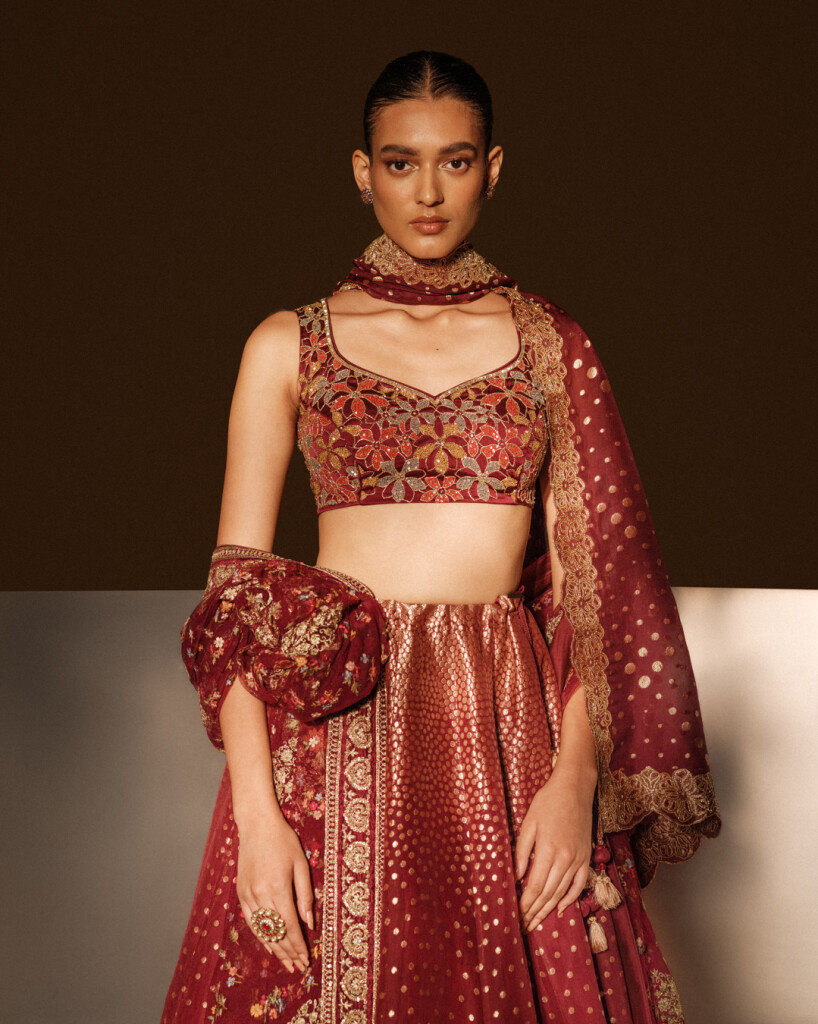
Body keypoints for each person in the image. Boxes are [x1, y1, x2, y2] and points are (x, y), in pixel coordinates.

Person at [161, 51, 720, 1024]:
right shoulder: (287, 344)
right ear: (361, 170)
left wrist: (574, 781)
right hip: (327, 741)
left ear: (491, 169)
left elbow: (593, 598)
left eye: (453, 162)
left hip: (504, 738)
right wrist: (256, 813)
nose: (426, 193)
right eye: (400, 162)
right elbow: (237, 606)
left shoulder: (551, 345)